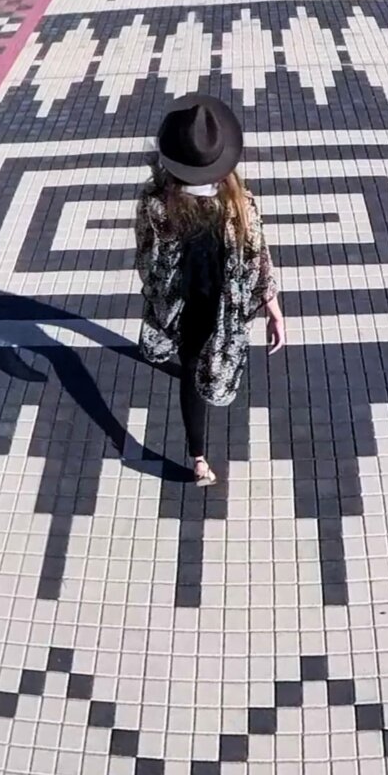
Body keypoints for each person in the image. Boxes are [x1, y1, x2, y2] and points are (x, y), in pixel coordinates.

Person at [135, 93, 284, 487]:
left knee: (190, 366)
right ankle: (198, 455)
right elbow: (257, 255)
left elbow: (147, 261)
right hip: (209, 305)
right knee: (192, 375)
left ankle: (199, 457)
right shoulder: (236, 201)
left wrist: (271, 303)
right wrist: (272, 306)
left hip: (194, 303)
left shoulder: (157, 203)